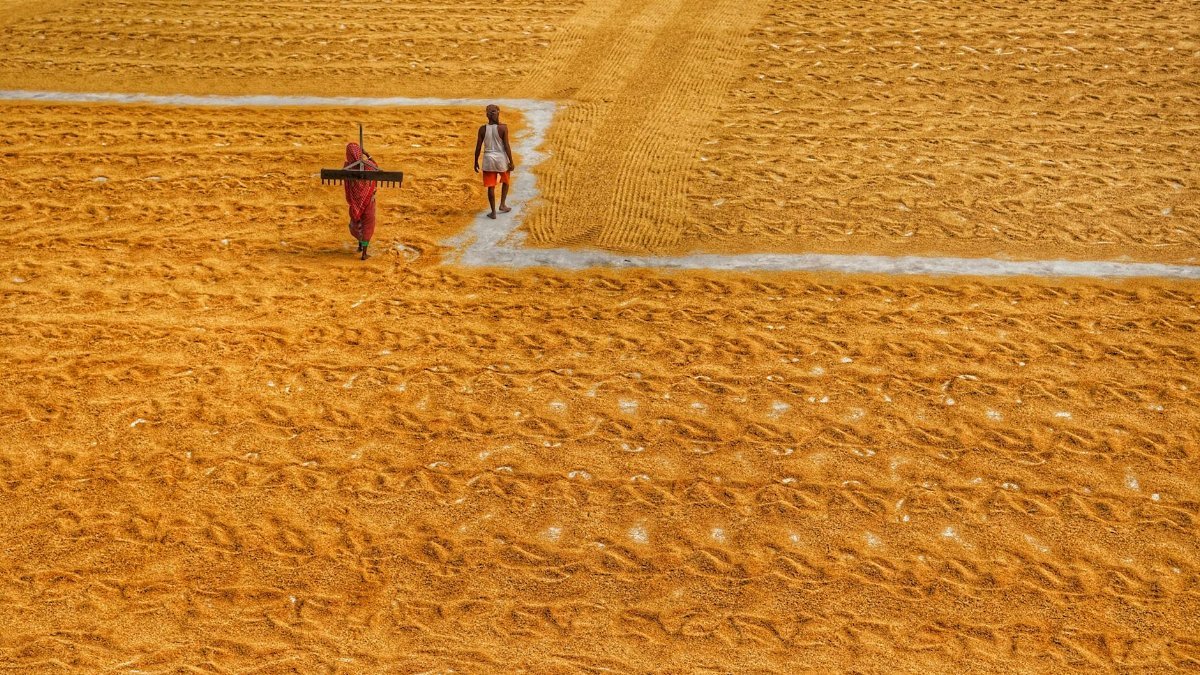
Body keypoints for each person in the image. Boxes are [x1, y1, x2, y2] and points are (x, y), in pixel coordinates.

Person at [473, 104, 516, 219]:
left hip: (488, 160)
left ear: (487, 115)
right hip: (501, 158)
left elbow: (478, 147)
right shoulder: (503, 128)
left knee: (491, 186)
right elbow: (506, 146)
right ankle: (502, 204)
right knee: (506, 181)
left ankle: (493, 213)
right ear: (498, 113)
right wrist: (511, 161)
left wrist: (475, 161)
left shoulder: (482, 129)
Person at [343, 142, 379, 260]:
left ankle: (359, 245)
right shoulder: (368, 165)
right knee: (367, 225)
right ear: (359, 153)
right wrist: (366, 154)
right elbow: (376, 167)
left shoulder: (347, 167)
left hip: (355, 203)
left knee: (357, 222)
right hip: (368, 201)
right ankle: (364, 253)